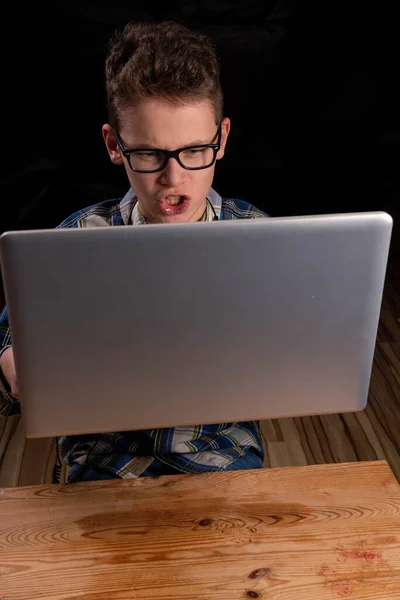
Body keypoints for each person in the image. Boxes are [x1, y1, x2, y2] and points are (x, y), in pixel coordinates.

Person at [0, 21, 268, 482]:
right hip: (103, 462)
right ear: (114, 146)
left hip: (221, 455)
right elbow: (9, 346)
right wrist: (12, 367)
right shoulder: (74, 240)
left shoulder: (262, 239)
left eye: (194, 150)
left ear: (221, 140)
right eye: (148, 154)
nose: (173, 176)